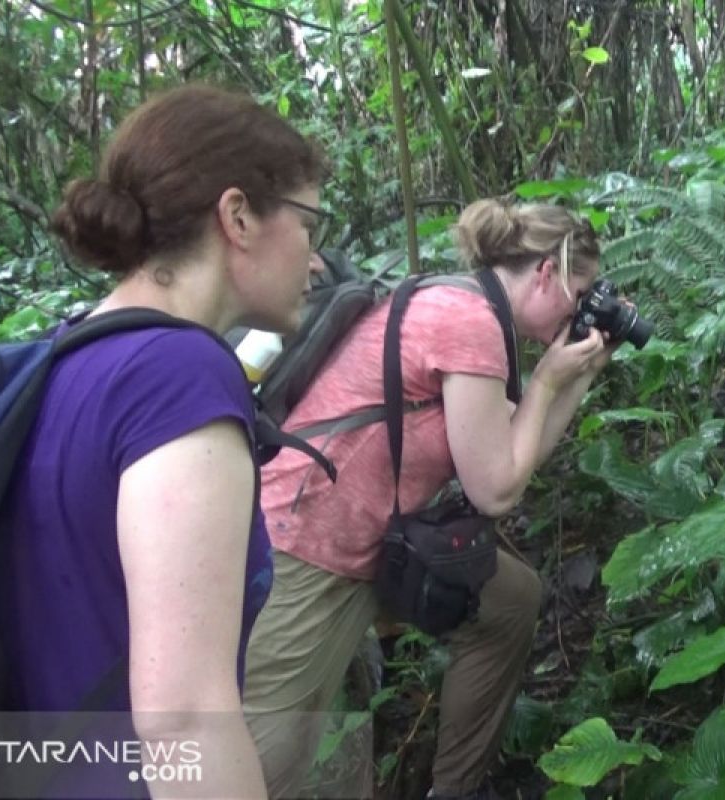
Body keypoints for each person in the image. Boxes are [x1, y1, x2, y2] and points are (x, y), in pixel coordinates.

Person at [0, 84, 328, 798]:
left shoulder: (67, 359)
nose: (317, 260)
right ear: (237, 216)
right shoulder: (180, 378)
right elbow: (184, 720)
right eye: (309, 224)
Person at [243, 199, 614, 799]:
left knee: (511, 601)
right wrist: (547, 378)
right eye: (581, 289)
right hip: (308, 544)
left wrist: (580, 373)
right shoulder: (469, 322)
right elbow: (495, 489)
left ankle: (455, 790)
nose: (582, 307)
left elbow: (514, 449)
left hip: (379, 535)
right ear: (546, 272)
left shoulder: (462, 303)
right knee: (268, 756)